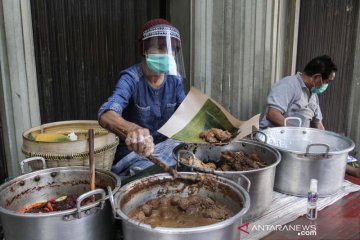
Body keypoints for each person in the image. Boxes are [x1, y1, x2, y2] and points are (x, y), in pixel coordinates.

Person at [98, 18, 186, 178]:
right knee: (145, 174)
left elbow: (186, 116)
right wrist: (132, 129)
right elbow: (106, 114)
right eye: (160, 47)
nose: (168, 54)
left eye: (172, 50)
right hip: (136, 154)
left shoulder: (175, 80)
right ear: (145, 50)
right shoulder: (130, 78)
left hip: (165, 148)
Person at [259, 55, 337, 129]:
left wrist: (325, 139)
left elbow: (317, 123)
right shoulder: (288, 85)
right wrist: (296, 133)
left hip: (296, 140)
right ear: (317, 77)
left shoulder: (313, 95)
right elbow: (272, 114)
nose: (326, 85)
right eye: (327, 82)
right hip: (274, 139)